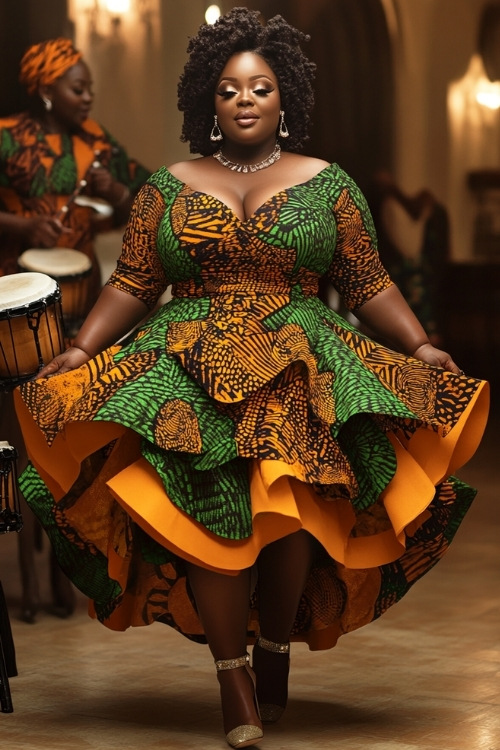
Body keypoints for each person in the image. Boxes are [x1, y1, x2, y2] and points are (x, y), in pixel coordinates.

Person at [13, 9, 489, 749]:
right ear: (208, 96)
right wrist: (80, 349)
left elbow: (368, 283)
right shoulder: (168, 187)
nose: (244, 99)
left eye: (261, 87)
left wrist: (422, 346)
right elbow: (132, 282)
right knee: (212, 518)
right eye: (230, 87)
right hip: (191, 366)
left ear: (284, 99)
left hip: (297, 360)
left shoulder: (329, 183)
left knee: (292, 518)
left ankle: (273, 648)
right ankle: (233, 675)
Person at [0, 37, 151, 624]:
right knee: (25, 432)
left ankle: (77, 567)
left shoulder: (98, 143)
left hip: (86, 304)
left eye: (89, 87)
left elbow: (155, 195)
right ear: (45, 89)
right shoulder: (9, 135)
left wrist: (119, 195)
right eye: (76, 86)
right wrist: (20, 224)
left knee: (77, 435)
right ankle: (35, 575)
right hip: (20, 304)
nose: (89, 96)